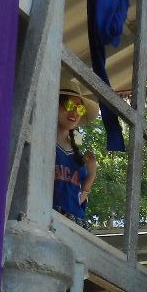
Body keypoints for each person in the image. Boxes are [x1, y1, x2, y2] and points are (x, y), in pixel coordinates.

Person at [53, 83, 99, 225]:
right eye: (68, 105)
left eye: (80, 108)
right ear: (55, 103)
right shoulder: (42, 141)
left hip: (70, 225)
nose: (74, 113)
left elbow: (76, 200)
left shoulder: (78, 158)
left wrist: (91, 174)